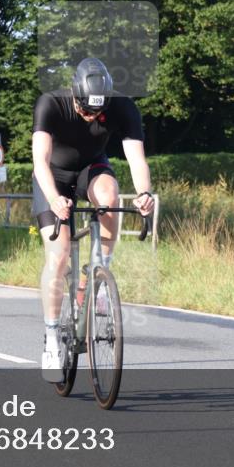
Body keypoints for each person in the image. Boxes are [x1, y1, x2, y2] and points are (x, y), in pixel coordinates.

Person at [31, 57, 155, 382]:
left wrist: (144, 193)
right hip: (52, 178)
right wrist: (56, 198)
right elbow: (40, 162)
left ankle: (99, 274)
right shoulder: (51, 104)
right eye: (85, 111)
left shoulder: (122, 107)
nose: (90, 118)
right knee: (58, 257)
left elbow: (136, 159)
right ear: (74, 96)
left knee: (110, 196)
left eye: (96, 114)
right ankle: (52, 337)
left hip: (90, 169)